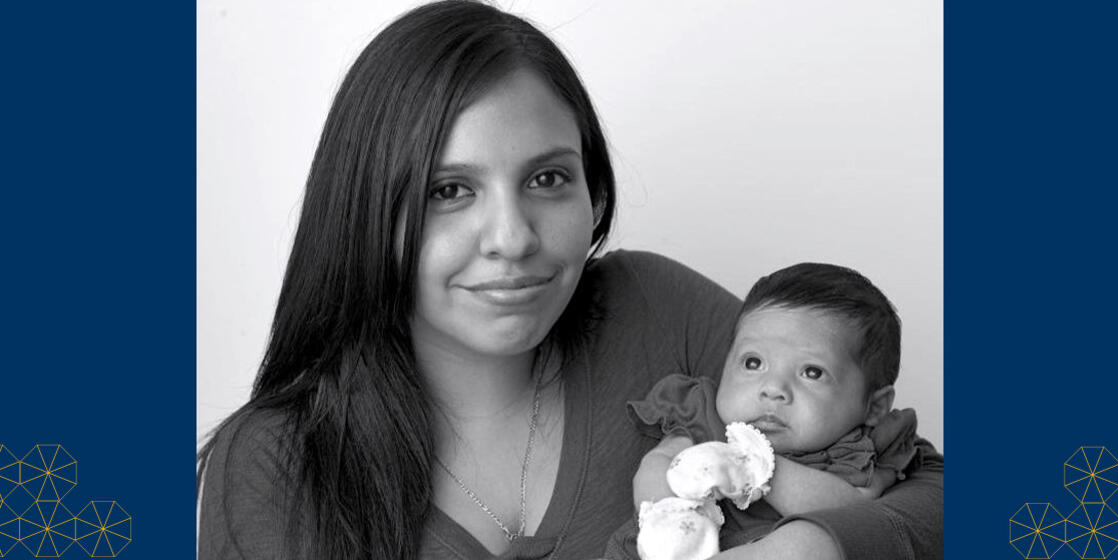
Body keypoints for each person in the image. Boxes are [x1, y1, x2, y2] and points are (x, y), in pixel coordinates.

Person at [196, 2, 943, 559]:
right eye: (448, 191)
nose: (513, 239)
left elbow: (938, 491)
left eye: (548, 178)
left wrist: (815, 544)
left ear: (593, 191)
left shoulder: (657, 312)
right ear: (366, 208)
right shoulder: (276, 461)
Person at [605, 263, 929, 559]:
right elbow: (658, 462)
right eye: (753, 363)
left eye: (811, 372)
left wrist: (757, 467)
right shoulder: (706, 418)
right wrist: (670, 516)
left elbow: (852, 515)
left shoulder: (855, 453)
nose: (773, 388)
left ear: (873, 407)